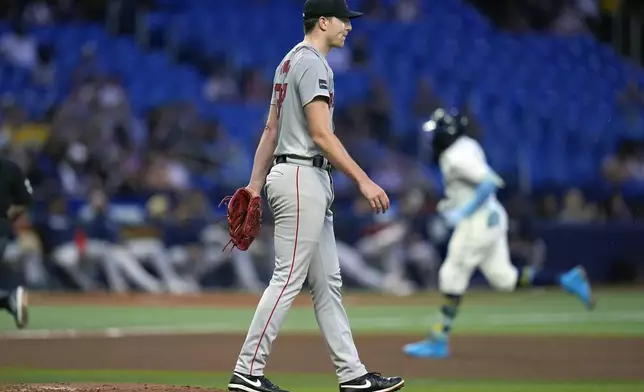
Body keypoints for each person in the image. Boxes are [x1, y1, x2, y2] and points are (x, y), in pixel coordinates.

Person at [228, 1, 404, 391]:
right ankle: (247, 371)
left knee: (328, 283)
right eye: (343, 20)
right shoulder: (312, 63)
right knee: (288, 276)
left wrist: (255, 184)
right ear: (323, 21)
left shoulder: (288, 61)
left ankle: (353, 375)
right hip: (300, 177)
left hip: (296, 175)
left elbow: (271, 131)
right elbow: (321, 135)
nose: (349, 28)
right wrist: (364, 180)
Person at [403, 108, 595, 359]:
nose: (433, 138)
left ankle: (439, 339)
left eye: (437, 132)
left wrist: (463, 212)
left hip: (478, 221)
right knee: (504, 278)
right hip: (492, 217)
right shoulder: (467, 144)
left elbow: (490, 182)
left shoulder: (454, 156)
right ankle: (565, 279)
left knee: (451, 274)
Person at [0, 157, 33, 329]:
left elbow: (25, 200)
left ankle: (8, 299)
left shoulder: (10, 168)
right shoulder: (10, 167)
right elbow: (26, 200)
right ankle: (8, 299)